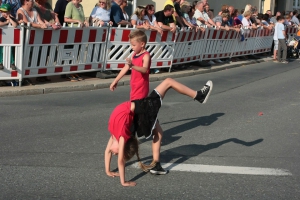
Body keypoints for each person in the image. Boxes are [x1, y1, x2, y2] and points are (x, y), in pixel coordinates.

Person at [105, 77, 213, 186]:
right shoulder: (122, 136)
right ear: (122, 147)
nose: (113, 153)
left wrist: (108, 171)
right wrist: (124, 182)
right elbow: (120, 161)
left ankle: (156, 164)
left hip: (139, 112)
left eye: (115, 153)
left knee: (158, 132)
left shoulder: (114, 134)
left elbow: (107, 152)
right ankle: (199, 96)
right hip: (143, 109)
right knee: (168, 82)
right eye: (117, 153)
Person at [0, 3, 18, 71]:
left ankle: (12, 63)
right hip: (2, 38)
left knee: (11, 50)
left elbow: (15, 25)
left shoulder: (12, 18)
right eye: (2, 12)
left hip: (10, 39)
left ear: (9, 12)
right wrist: (6, 22)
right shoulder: (2, 18)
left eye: (5, 12)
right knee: (1, 50)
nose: (3, 14)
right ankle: (1, 63)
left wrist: (10, 19)